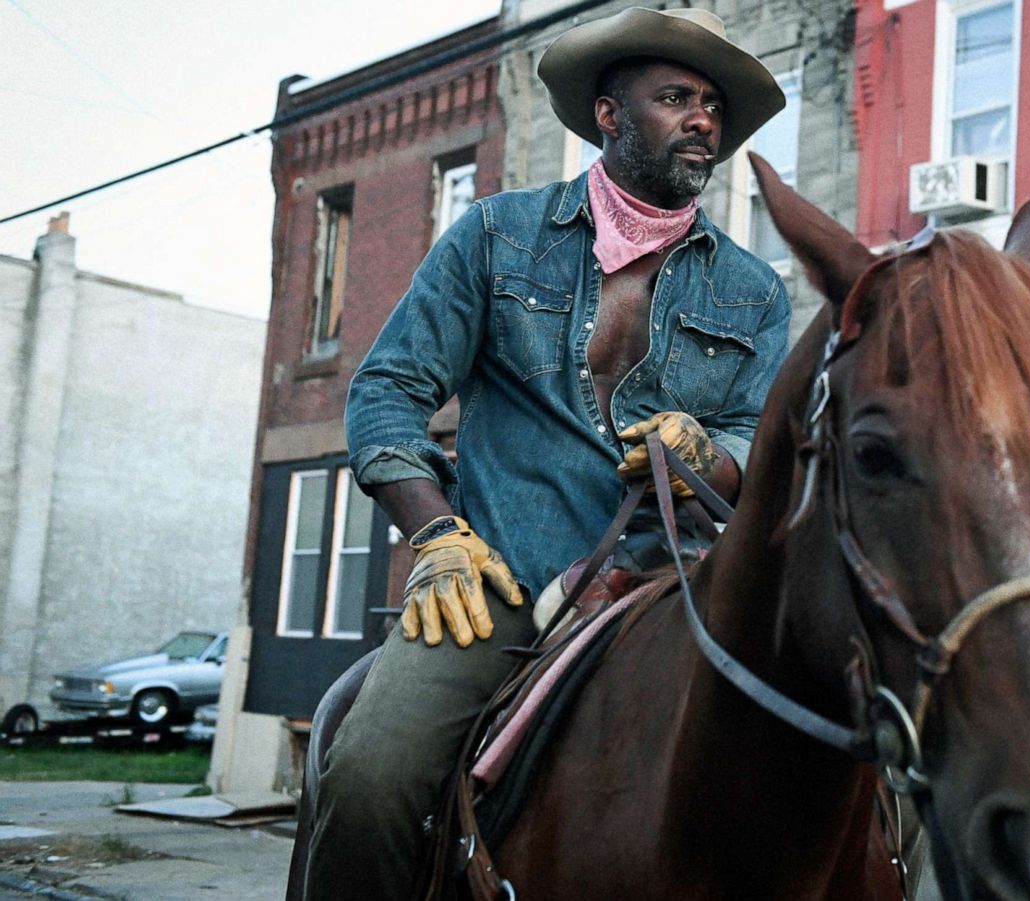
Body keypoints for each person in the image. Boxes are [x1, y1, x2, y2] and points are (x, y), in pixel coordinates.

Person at [300, 8, 790, 899]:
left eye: (714, 105)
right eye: (675, 96)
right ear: (608, 114)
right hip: (498, 586)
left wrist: (707, 453)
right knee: (370, 774)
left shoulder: (755, 291)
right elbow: (387, 391)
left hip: (672, 591)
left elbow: (766, 439)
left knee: (862, 776)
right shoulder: (495, 236)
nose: (703, 121)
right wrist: (436, 534)